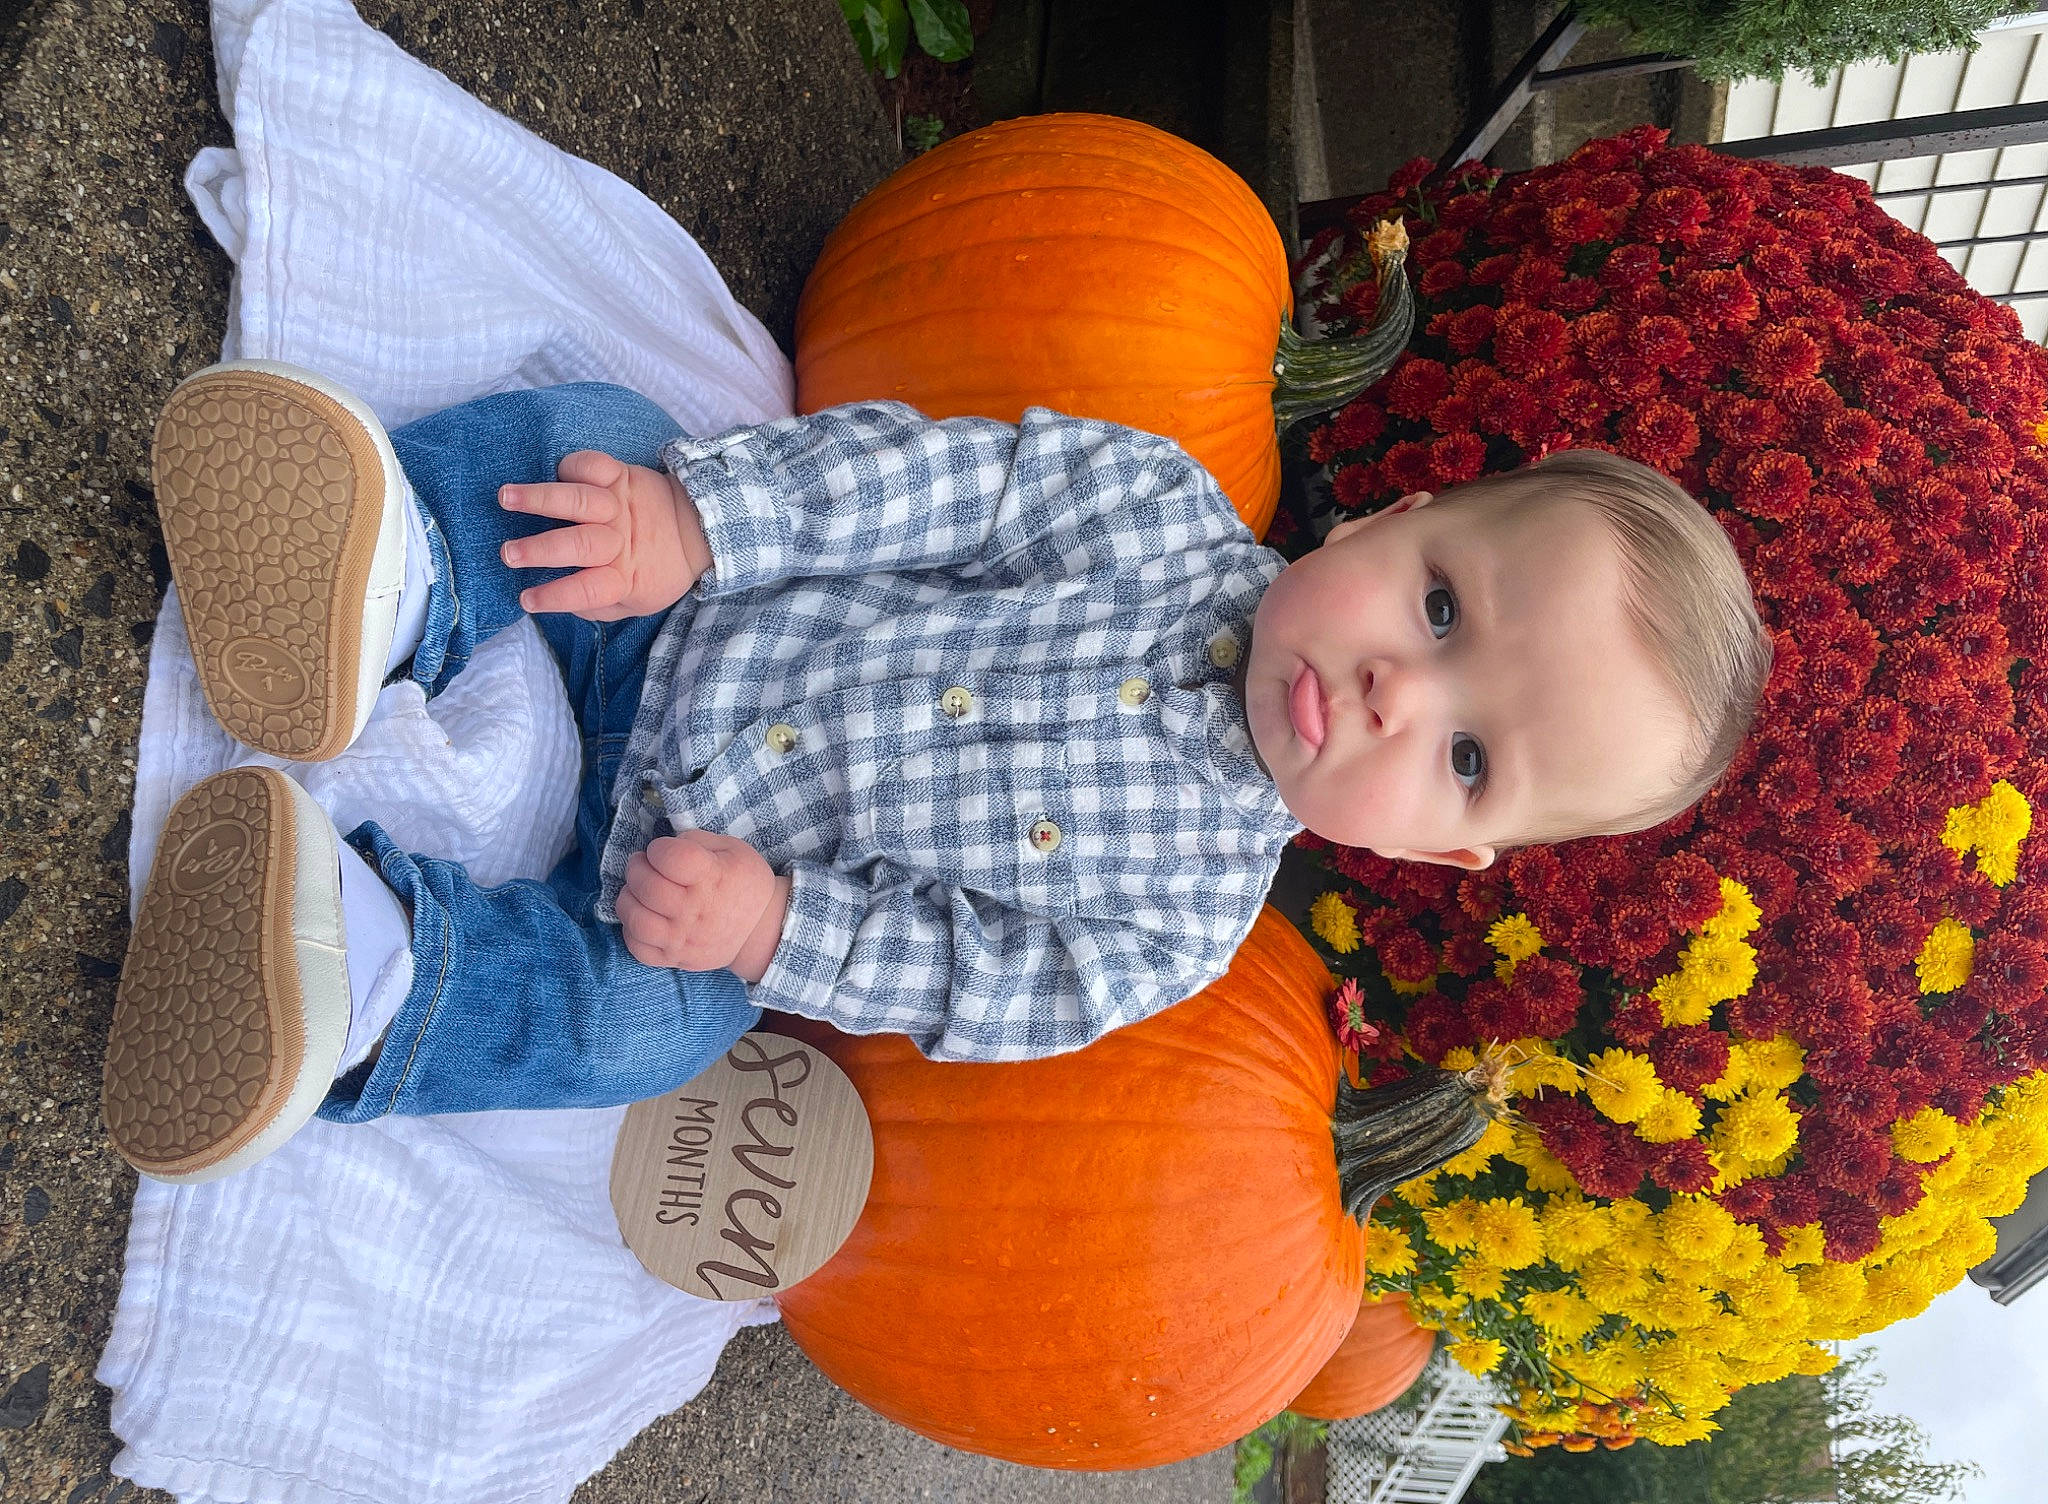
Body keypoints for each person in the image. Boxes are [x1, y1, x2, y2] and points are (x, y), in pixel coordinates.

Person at [105, 362, 1771, 1182]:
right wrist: (701, 525)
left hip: (702, 870)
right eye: (1441, 604)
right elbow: (929, 487)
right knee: (593, 441)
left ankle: (363, 970)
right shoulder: (1149, 506)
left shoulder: (1178, 923)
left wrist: (775, 935)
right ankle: (382, 579)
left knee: (640, 1032)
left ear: (1447, 856)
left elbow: (974, 979)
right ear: (1395, 518)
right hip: (675, 623)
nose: (1403, 692)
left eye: (1471, 757)